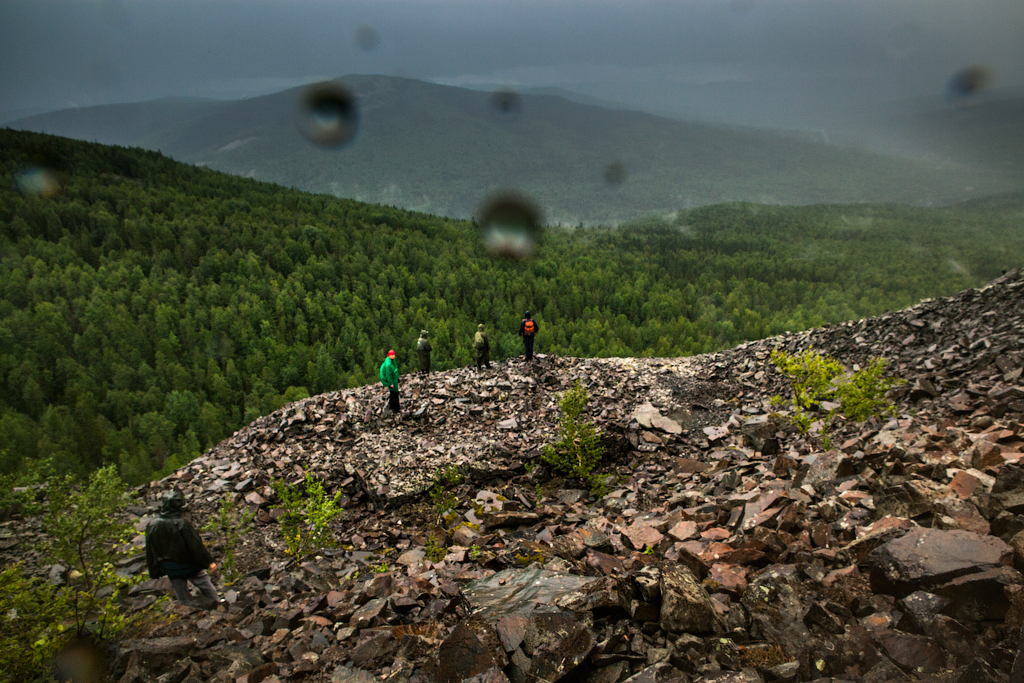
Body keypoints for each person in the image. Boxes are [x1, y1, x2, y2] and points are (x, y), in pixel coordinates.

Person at [145, 489, 220, 607]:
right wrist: (209, 562)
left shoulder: (152, 524)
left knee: (182, 595)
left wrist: (154, 571)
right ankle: (218, 605)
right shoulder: (181, 524)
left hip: (169, 567)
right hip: (188, 565)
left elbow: (150, 550)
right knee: (205, 584)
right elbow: (195, 546)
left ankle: (188, 611)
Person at [379, 349, 401, 415]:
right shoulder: (388, 365)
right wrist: (390, 383)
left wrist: (397, 378)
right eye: (392, 355)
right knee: (394, 393)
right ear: (389, 355)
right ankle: (395, 408)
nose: (393, 356)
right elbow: (389, 375)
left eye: (394, 354)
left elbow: (394, 371)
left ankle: (393, 407)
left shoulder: (392, 361)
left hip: (394, 380)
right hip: (392, 381)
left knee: (393, 393)